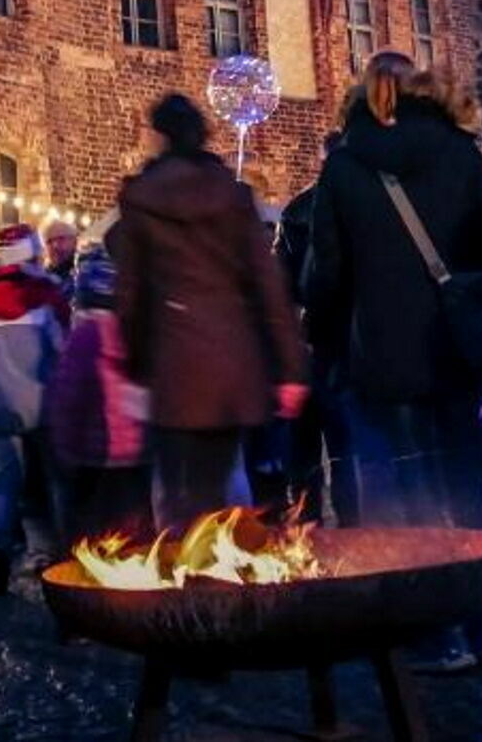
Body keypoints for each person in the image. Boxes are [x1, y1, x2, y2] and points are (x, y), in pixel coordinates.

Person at [306, 55, 482, 670]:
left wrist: (325, 339)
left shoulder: (344, 168)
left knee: (404, 493)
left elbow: (328, 272)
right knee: (463, 486)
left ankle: (428, 629)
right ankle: (480, 629)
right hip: (455, 347)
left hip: (383, 355)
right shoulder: (459, 152)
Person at [111, 94, 307, 530]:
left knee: (179, 494)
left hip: (172, 366)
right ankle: (226, 577)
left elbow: (131, 295)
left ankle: (191, 584)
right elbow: (267, 284)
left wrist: (135, 368)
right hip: (232, 368)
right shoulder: (233, 196)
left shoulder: (142, 199)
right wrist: (289, 368)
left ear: (159, 137)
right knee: (219, 484)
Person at [0, 222, 67, 595]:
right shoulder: (45, 293)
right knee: (54, 482)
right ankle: (64, 557)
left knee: (5, 485)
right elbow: (62, 346)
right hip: (44, 402)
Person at [277, 131, 356, 526]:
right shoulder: (359, 203)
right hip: (348, 340)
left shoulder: (299, 209)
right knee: (346, 446)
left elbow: (283, 286)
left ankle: (308, 525)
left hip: (314, 339)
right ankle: (352, 523)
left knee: (308, 446)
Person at [46, 246, 151, 542]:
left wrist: (64, 447)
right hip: (136, 452)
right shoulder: (135, 330)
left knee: (89, 530)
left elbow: (69, 395)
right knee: (133, 529)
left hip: (96, 450)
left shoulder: (86, 334)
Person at [42, 218, 81, 291]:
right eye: (49, 241)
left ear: (74, 241)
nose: (55, 245)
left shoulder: (84, 273)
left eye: (61, 238)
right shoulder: (42, 279)